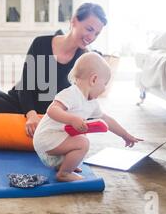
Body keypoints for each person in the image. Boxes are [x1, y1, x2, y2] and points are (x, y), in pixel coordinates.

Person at [0, 3, 107, 137]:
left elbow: (83, 99)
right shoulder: (41, 43)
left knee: (88, 114)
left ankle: (32, 123)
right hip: (24, 104)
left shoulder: (84, 60)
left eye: (96, 34)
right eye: (89, 29)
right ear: (74, 21)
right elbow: (26, 85)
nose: (91, 37)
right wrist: (31, 115)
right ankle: (32, 122)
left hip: (53, 113)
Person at [33, 52, 143, 182]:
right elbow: (52, 110)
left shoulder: (92, 103)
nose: (104, 89)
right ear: (94, 79)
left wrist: (125, 135)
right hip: (47, 137)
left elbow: (106, 120)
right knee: (83, 142)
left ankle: (63, 165)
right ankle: (64, 173)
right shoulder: (71, 94)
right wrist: (72, 119)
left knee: (81, 135)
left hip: (57, 138)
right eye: (104, 84)